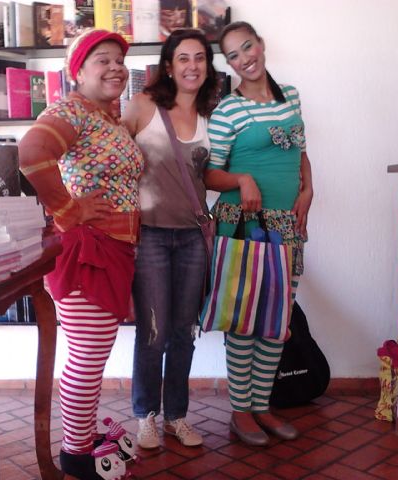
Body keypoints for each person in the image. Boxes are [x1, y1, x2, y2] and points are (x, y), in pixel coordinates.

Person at [18, 29, 143, 479]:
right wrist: (69, 211)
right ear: (79, 72)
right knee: (87, 358)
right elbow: (31, 152)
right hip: (89, 250)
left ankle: (85, 438)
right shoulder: (71, 110)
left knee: (93, 353)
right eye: (102, 60)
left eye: (119, 61)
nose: (115, 68)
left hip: (113, 249)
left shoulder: (106, 118)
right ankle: (74, 452)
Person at [205, 21, 314, 446]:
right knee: (244, 318)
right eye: (233, 55)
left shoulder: (292, 96)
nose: (244, 58)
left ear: (261, 45)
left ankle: (262, 405)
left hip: (286, 224)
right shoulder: (227, 110)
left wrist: (309, 189)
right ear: (229, 64)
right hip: (244, 224)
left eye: (247, 47)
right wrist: (242, 178)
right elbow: (209, 174)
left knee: (277, 317)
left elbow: (300, 152)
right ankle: (241, 411)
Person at [121, 28, 218, 450]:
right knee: (153, 333)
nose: (192, 66)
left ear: (208, 66)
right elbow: (112, 158)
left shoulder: (212, 115)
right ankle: (145, 415)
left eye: (200, 58)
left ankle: (177, 415)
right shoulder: (143, 105)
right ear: (169, 66)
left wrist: (246, 180)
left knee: (183, 332)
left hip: (193, 237)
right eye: (183, 58)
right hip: (150, 237)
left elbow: (208, 176)